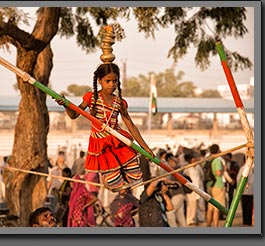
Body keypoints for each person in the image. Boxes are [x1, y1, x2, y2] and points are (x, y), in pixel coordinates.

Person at [55, 62, 154, 192]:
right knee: (115, 183)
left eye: (115, 81)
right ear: (99, 81)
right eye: (108, 81)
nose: (112, 84)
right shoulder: (91, 98)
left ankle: (120, 181)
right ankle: (111, 182)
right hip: (101, 144)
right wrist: (65, 104)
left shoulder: (119, 102)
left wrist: (145, 148)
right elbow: (74, 115)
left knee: (135, 176)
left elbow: (130, 125)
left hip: (118, 139)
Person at [183, 152, 205, 226]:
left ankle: (199, 218)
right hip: (191, 189)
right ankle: (190, 220)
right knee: (191, 205)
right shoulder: (187, 168)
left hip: (199, 188)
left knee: (199, 204)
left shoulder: (198, 167)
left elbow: (202, 176)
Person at [164, 153, 187, 227]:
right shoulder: (172, 171)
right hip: (177, 194)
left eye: (172, 162)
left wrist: (169, 181)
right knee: (180, 215)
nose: (170, 164)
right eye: (169, 162)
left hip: (178, 194)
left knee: (170, 212)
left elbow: (179, 183)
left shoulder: (177, 171)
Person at [206, 144, 226, 227]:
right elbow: (218, 173)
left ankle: (208, 226)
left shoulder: (209, 159)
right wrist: (223, 170)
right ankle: (216, 227)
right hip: (217, 185)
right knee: (216, 209)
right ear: (218, 150)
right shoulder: (217, 160)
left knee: (210, 209)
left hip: (209, 185)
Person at [237, 160, 254, 226]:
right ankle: (247, 222)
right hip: (245, 191)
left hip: (251, 191)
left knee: (249, 208)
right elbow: (239, 179)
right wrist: (245, 185)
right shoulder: (244, 168)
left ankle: (248, 222)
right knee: (246, 208)